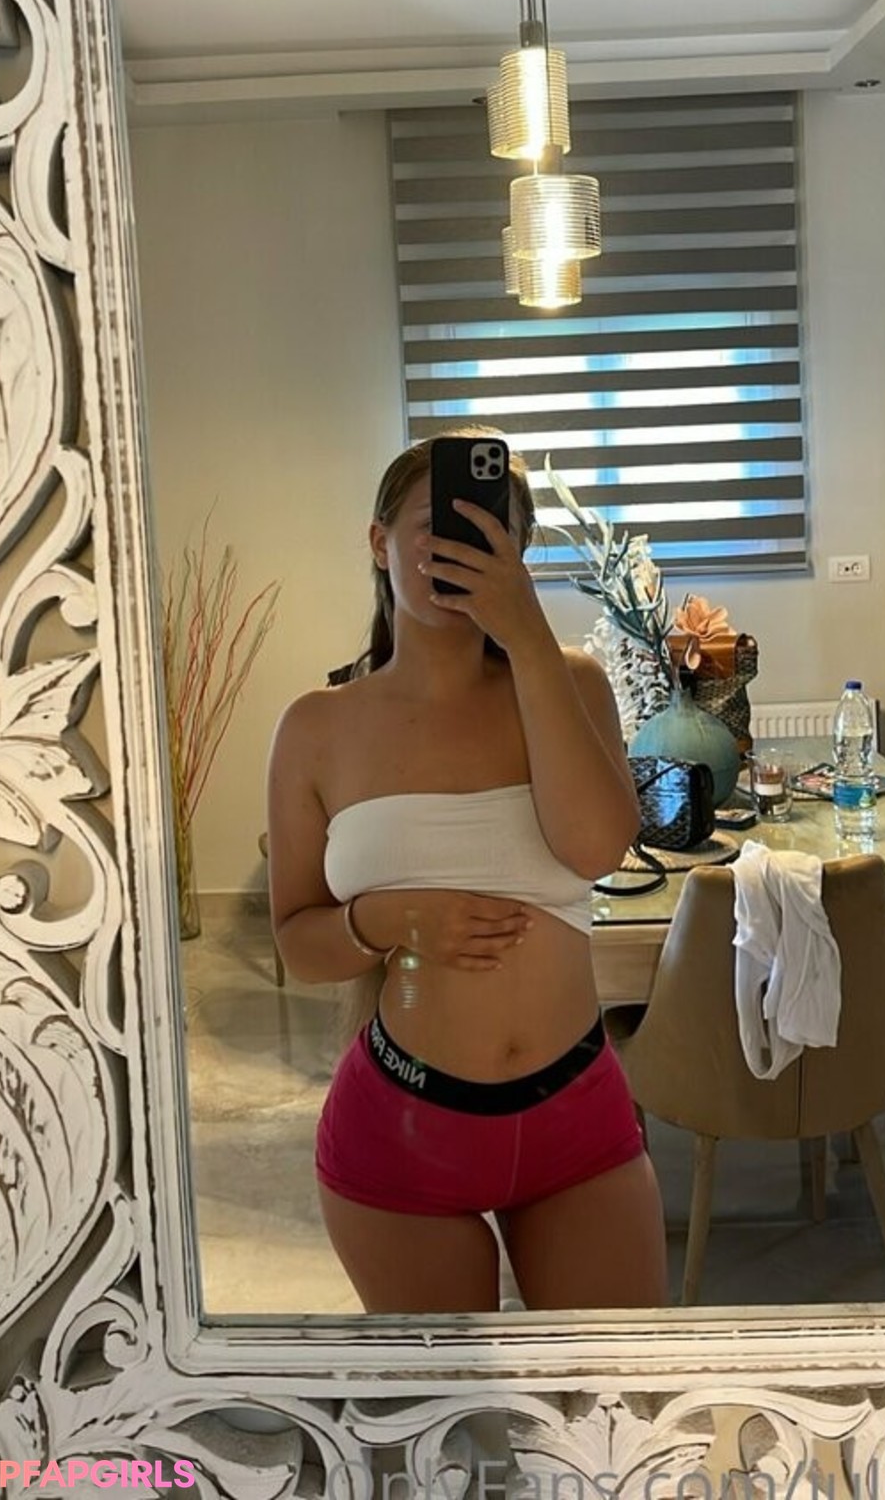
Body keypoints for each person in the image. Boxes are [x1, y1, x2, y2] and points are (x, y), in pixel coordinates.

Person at [266, 431, 668, 1313]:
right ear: (379, 543)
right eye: (435, 525)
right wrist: (388, 919)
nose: (465, 548)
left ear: (521, 553)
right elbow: (296, 942)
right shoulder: (317, 728)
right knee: (449, 1402)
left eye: (492, 530)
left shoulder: (570, 683)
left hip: (577, 1117)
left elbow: (595, 848)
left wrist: (526, 637)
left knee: (615, 1386)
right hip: (402, 1130)